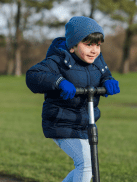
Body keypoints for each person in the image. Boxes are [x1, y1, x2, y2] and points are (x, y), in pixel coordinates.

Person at [25, 16, 120, 182]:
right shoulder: (59, 61)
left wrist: (108, 81)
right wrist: (59, 82)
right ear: (72, 46)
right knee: (87, 164)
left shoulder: (97, 62)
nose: (94, 50)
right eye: (88, 44)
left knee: (86, 166)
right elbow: (33, 76)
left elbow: (105, 74)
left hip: (85, 123)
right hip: (60, 123)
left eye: (97, 45)